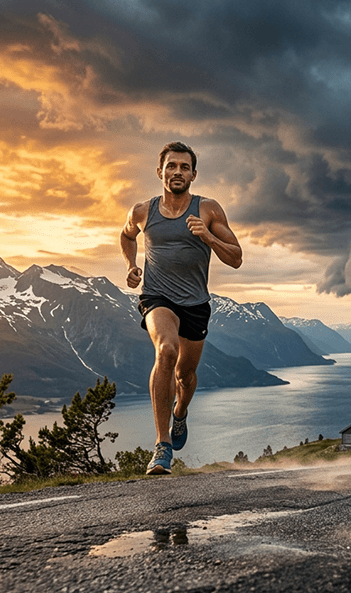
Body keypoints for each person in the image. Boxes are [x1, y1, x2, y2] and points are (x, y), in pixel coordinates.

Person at [121, 141, 242, 475]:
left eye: (184, 167)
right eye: (171, 166)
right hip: (157, 297)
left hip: (195, 304)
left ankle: (180, 413)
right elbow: (127, 235)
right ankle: (162, 447)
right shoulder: (143, 211)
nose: (177, 172)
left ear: (193, 174)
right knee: (166, 351)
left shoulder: (209, 210)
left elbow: (236, 258)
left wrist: (209, 238)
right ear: (160, 172)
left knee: (185, 377)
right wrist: (131, 265)